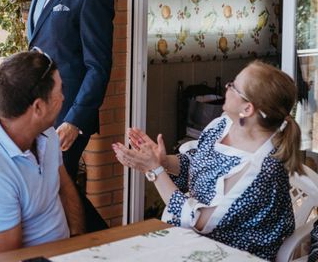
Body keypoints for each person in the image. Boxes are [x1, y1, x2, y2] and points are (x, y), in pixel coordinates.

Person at [113, 60, 301, 261]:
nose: (227, 88)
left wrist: (155, 171)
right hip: (192, 242)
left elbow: (198, 221)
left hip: (231, 254)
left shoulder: (261, 169)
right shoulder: (223, 124)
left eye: (233, 86)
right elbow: (198, 164)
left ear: (247, 109)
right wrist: (164, 162)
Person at [0, 50, 85, 261]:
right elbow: (11, 258)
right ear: (38, 107)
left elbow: (64, 187)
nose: (63, 98)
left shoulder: (48, 134)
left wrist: (78, 243)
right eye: (60, 91)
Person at [27, 0, 115, 180]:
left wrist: (75, 121)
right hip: (39, 112)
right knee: (48, 192)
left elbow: (98, 66)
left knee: (58, 189)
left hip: (67, 117)